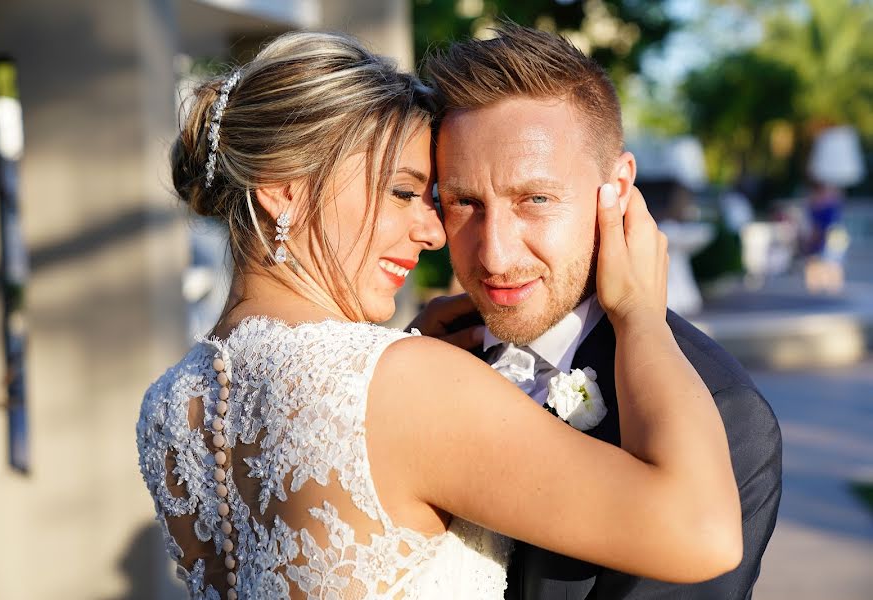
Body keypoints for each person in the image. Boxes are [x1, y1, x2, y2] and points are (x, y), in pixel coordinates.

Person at [137, 30, 742, 599]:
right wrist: (640, 315)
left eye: (433, 201)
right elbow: (703, 532)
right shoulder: (401, 386)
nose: (432, 232)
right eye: (404, 193)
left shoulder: (170, 402)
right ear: (283, 189)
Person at [412, 22, 782, 600]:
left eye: (534, 199)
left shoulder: (722, 416)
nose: (494, 253)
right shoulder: (422, 358)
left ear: (617, 187)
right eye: (464, 202)